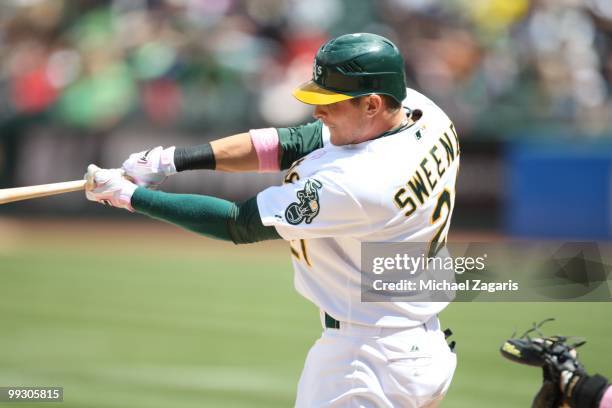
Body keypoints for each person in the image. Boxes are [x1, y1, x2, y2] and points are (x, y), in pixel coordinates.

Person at [84, 33, 460, 407]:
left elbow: (238, 222)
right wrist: (172, 160)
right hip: (419, 346)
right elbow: (295, 141)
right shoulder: (425, 114)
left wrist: (132, 197)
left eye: (330, 102)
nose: (318, 111)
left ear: (372, 105)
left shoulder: (359, 184)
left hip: (367, 359)